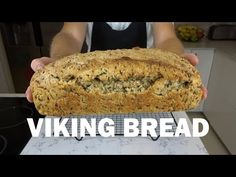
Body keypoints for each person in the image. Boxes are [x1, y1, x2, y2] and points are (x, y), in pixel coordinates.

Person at [25, 22, 207, 102]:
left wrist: (176, 63)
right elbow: (70, 35)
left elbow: (166, 38)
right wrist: (59, 66)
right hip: (88, 88)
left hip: (150, 87)